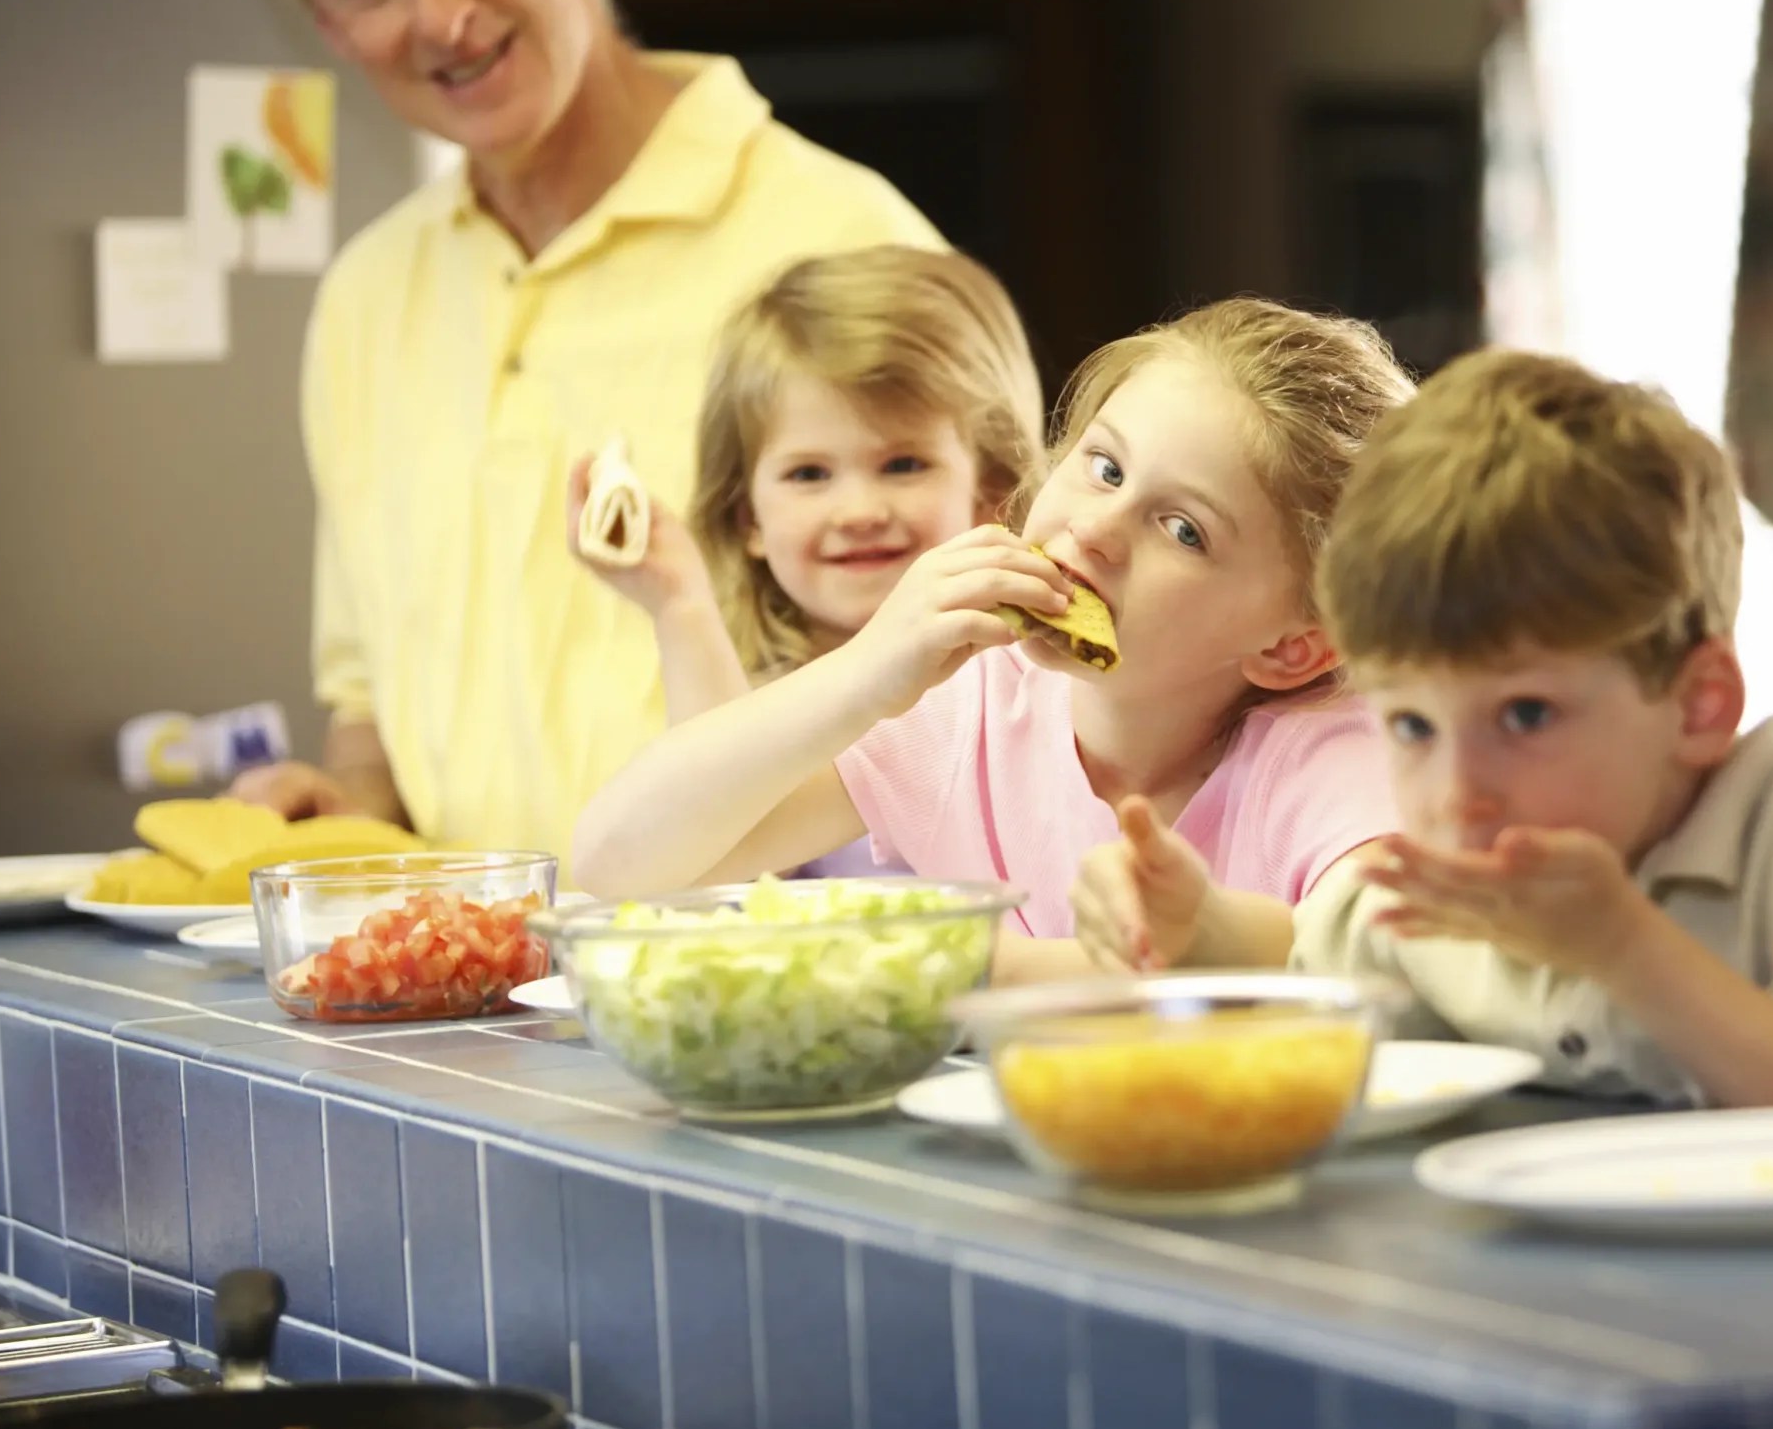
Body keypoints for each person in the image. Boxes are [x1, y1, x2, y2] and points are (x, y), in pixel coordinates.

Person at [227, 0, 940, 867]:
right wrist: (336, 804)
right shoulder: (364, 300)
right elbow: (368, 709)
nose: (437, 18)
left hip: (770, 978)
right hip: (462, 992)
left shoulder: (846, 243)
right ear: (325, 14)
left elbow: (978, 677)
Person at [1084, 347, 1773, 1103]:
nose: (1458, 793)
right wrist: (1193, 922)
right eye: (1412, 726)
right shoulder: (1449, 886)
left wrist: (1625, 949)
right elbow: (1310, 951)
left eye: (1524, 715)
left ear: (1697, 703)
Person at [571, 299, 1413, 980]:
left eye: (1184, 529)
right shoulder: (969, 706)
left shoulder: (1330, 750)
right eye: (1106, 468)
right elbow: (621, 864)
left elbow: (1389, 963)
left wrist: (1006, 964)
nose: (1096, 530)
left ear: (1292, 646)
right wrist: (865, 672)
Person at [563, 245, 1045, 878]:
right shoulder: (772, 693)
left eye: (903, 465)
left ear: (991, 491)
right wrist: (680, 604)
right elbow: (708, 860)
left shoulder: (1014, 684)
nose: (858, 510)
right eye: (809, 473)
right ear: (748, 518)